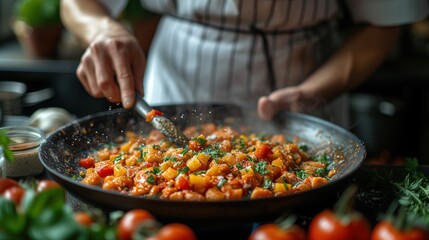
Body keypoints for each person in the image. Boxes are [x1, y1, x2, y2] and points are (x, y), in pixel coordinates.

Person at [61, 0, 428, 126]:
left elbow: (386, 19)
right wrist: (103, 30)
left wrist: (311, 92)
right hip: (176, 79)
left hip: (306, 78)